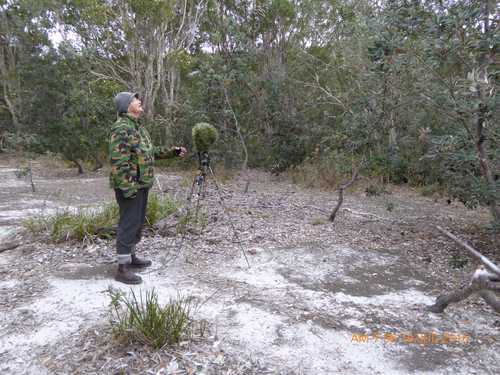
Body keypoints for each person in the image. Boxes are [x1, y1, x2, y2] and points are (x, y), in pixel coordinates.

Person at [109, 92, 186, 284]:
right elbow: (119, 162)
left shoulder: (139, 128)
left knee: (136, 223)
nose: (139, 101)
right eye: (135, 100)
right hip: (130, 185)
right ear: (127, 106)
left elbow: (149, 153)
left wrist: (172, 152)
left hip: (142, 184)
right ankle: (122, 269)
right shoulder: (121, 128)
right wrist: (128, 188)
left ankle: (131, 257)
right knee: (128, 224)